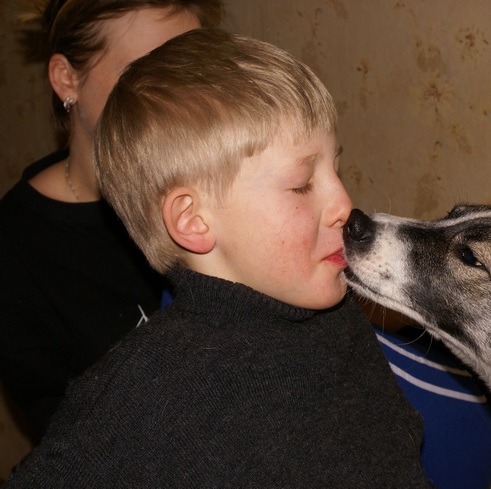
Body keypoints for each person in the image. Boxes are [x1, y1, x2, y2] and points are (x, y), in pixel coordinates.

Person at [3, 29, 432, 487]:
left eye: (337, 169)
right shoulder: (146, 392)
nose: (344, 204)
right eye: (301, 185)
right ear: (193, 220)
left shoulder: (335, 317)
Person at [0, 0, 223, 438]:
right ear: (67, 79)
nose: (183, 97)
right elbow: (73, 444)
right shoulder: (15, 250)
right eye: (145, 71)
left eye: (194, 70)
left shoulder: (231, 184)